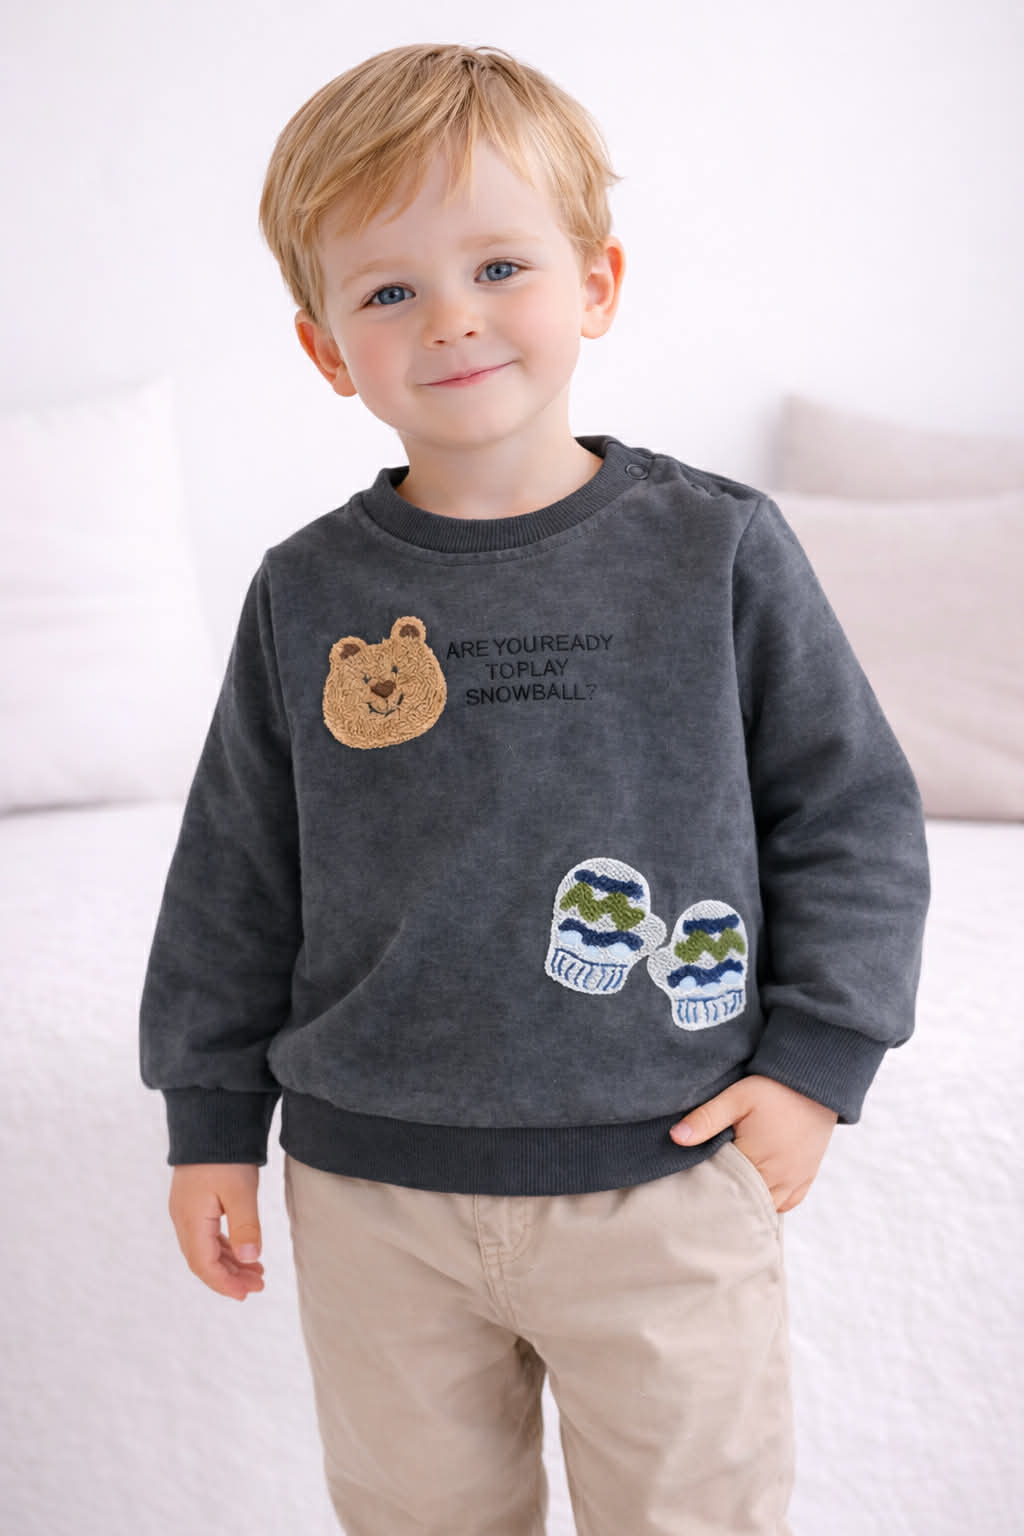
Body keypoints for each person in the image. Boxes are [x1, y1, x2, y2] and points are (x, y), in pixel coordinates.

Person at [139, 41, 930, 1536]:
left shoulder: (716, 550)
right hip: (373, 1195)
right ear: (326, 350)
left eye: (499, 265)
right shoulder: (306, 594)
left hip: (667, 1172)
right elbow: (237, 867)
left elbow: (849, 815)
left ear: (596, 285)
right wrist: (209, 1121)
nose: (451, 317)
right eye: (389, 291)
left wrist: (820, 1059)